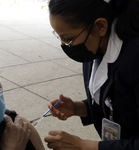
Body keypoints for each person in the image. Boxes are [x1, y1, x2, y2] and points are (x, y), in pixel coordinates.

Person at [44, 0, 139, 149]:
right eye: (59, 37)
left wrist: (82, 145)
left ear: (100, 26)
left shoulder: (134, 60)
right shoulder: (93, 48)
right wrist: (77, 108)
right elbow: (116, 102)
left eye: (69, 39)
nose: (64, 45)